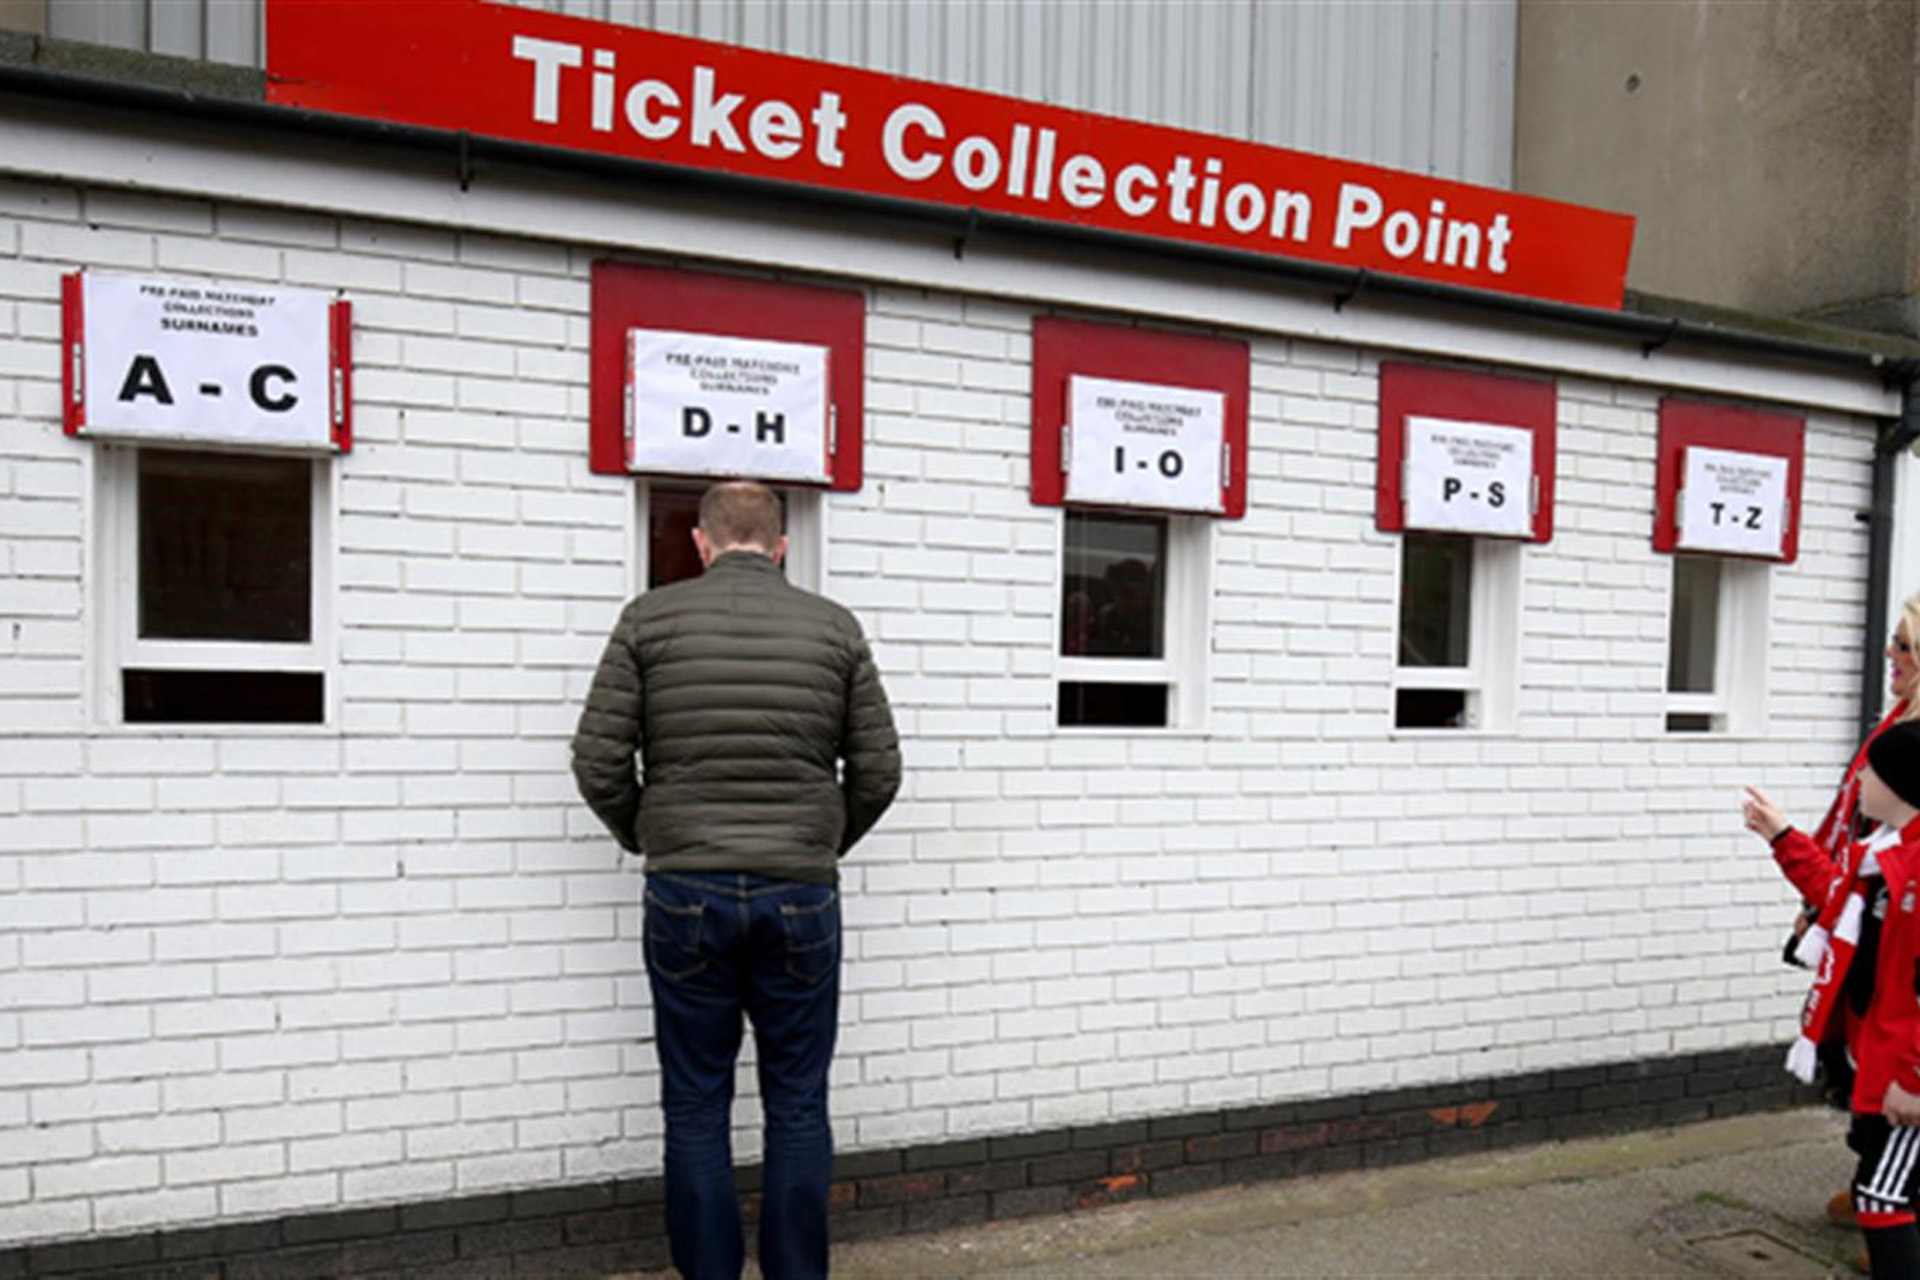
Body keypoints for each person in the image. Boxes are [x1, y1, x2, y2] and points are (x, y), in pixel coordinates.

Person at [571, 481, 901, 1280]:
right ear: (781, 545)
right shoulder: (834, 628)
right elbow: (880, 771)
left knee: (694, 1099)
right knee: (797, 1100)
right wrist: (818, 845)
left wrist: (655, 836)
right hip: (801, 894)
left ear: (701, 543)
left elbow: (597, 762)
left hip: (687, 893)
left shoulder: (648, 620)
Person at [1744, 590, 1920, 1240]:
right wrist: (1815, 904)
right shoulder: (1895, 727)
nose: (1890, 654)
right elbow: (1846, 824)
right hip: (1851, 907)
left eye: (1904, 644)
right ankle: (1880, 1184)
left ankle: (1891, 1200)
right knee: (1854, 1054)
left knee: (1883, 1053)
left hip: (1872, 916)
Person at [1762, 722, 1920, 1278]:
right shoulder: (1879, 857)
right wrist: (1782, 836)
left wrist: (1914, 1079)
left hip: (1907, 1074)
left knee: (1881, 1199)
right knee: (1879, 1177)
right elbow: (1831, 891)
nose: (1860, 781)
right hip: (1875, 1054)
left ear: (1901, 784)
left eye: (1870, 771)